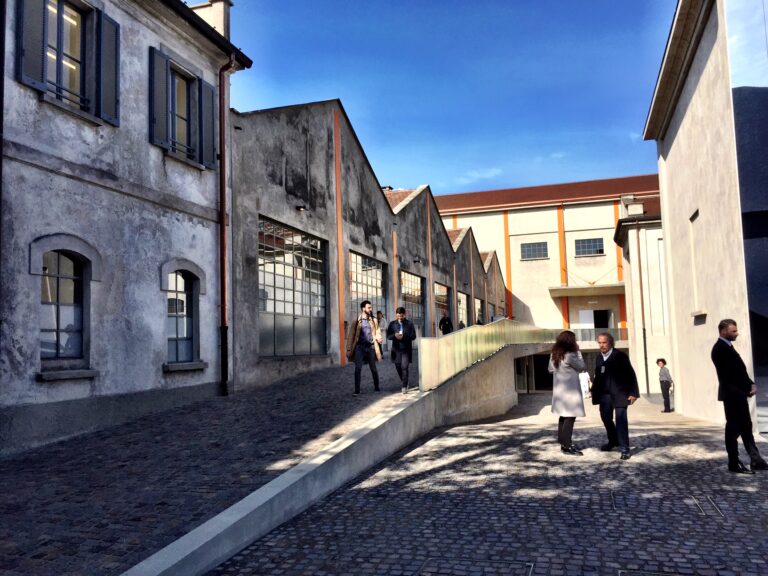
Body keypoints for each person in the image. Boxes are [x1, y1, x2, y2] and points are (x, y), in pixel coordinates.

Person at [711, 319, 768, 474]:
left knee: (746, 428)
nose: (737, 333)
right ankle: (734, 463)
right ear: (723, 331)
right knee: (733, 430)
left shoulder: (728, 347)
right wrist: (744, 390)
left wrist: (751, 383)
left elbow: (740, 371)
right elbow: (727, 377)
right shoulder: (719, 349)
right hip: (732, 396)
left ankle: (756, 460)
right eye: (733, 331)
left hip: (739, 395)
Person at [592, 332, 639, 460]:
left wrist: (633, 393)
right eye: (600, 343)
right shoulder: (599, 358)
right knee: (606, 418)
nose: (602, 345)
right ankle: (613, 440)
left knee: (621, 421)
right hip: (605, 395)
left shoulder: (620, 356)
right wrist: (594, 392)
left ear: (610, 343)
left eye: (604, 342)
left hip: (620, 394)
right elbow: (598, 376)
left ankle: (624, 448)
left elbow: (631, 374)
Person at [548, 330, 587, 456]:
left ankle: (563, 443)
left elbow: (550, 369)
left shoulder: (555, 354)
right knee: (570, 417)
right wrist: (579, 353)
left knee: (563, 416)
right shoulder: (570, 354)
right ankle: (567, 445)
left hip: (559, 392)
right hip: (570, 391)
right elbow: (581, 367)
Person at [345, 300, 382, 395]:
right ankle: (357, 390)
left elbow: (377, 331)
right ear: (363, 308)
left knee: (373, 369)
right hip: (359, 348)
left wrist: (379, 337)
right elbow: (351, 336)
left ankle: (377, 387)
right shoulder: (356, 321)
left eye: (371, 307)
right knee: (358, 369)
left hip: (370, 348)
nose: (371, 309)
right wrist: (348, 349)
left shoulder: (373, 320)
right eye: (369, 307)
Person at [387, 307, 417, 394]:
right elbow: (388, 336)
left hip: (406, 349)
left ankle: (404, 386)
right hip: (396, 350)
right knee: (398, 366)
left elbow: (413, 336)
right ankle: (405, 381)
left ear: (405, 314)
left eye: (402, 316)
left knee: (404, 367)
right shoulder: (392, 324)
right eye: (398, 316)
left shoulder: (409, 324)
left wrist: (404, 336)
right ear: (396, 315)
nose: (400, 317)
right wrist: (394, 336)